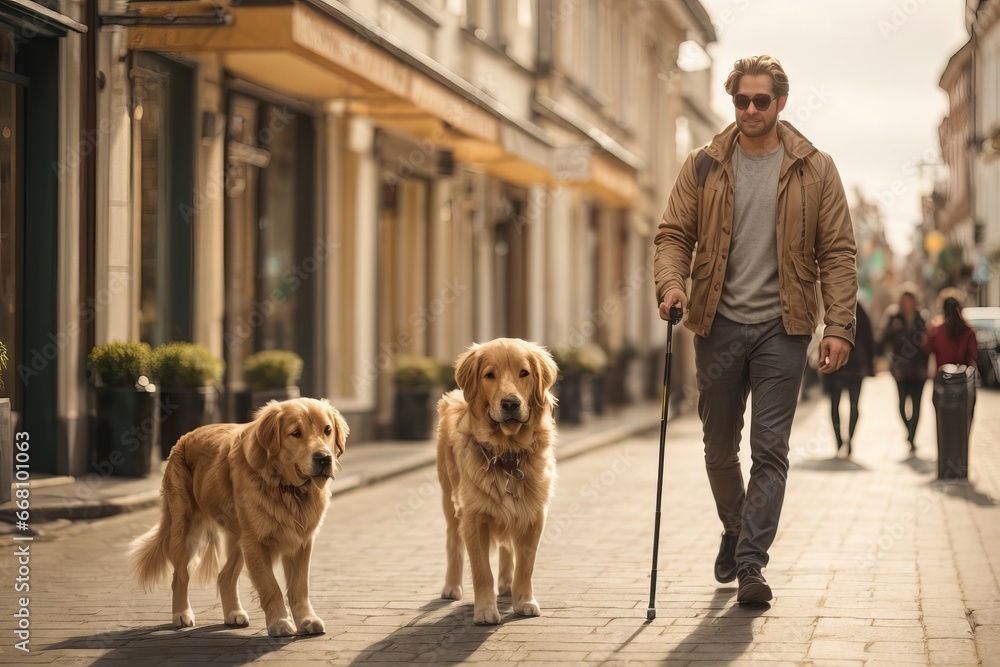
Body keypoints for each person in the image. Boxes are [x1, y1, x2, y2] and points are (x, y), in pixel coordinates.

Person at [653, 55, 857, 604]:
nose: (749, 109)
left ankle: (751, 565)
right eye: (741, 100)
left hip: (783, 328)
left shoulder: (816, 169)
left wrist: (838, 324)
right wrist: (672, 286)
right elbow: (672, 234)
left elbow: (837, 253)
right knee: (719, 448)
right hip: (715, 323)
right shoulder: (704, 164)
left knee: (770, 449)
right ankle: (734, 526)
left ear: (780, 102)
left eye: (760, 100)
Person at [880, 286, 929, 453]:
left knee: (917, 405)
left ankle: (912, 437)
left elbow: (928, 341)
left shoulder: (922, 317)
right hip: (900, 369)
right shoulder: (893, 316)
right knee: (901, 404)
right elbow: (884, 339)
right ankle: (909, 430)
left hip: (919, 369)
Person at [824, 301, 875, 457]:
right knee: (840, 405)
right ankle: (841, 441)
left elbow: (869, 340)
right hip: (841, 368)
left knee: (849, 405)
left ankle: (847, 440)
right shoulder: (834, 310)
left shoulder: (852, 311)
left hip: (850, 367)